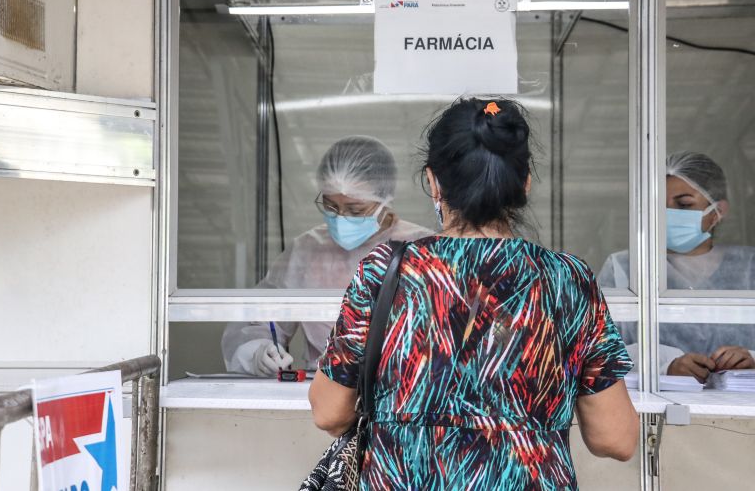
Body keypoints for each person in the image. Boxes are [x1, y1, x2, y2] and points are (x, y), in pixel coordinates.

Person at [309, 99, 638, 489]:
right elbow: (616, 438)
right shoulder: (568, 280)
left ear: (433, 181)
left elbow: (330, 413)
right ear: (525, 182)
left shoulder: (386, 270)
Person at [222, 135, 431, 377]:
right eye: (331, 207)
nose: (341, 218)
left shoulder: (422, 248)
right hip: (321, 393)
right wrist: (259, 352)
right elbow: (257, 320)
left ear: (385, 201)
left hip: (403, 393)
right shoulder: (307, 250)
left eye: (355, 210)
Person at [599, 151, 755, 381]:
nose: (668, 215)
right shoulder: (624, 268)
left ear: (717, 212)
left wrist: (750, 357)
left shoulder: (748, 267)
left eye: (683, 205)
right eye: (660, 206)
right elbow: (596, 349)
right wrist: (663, 366)